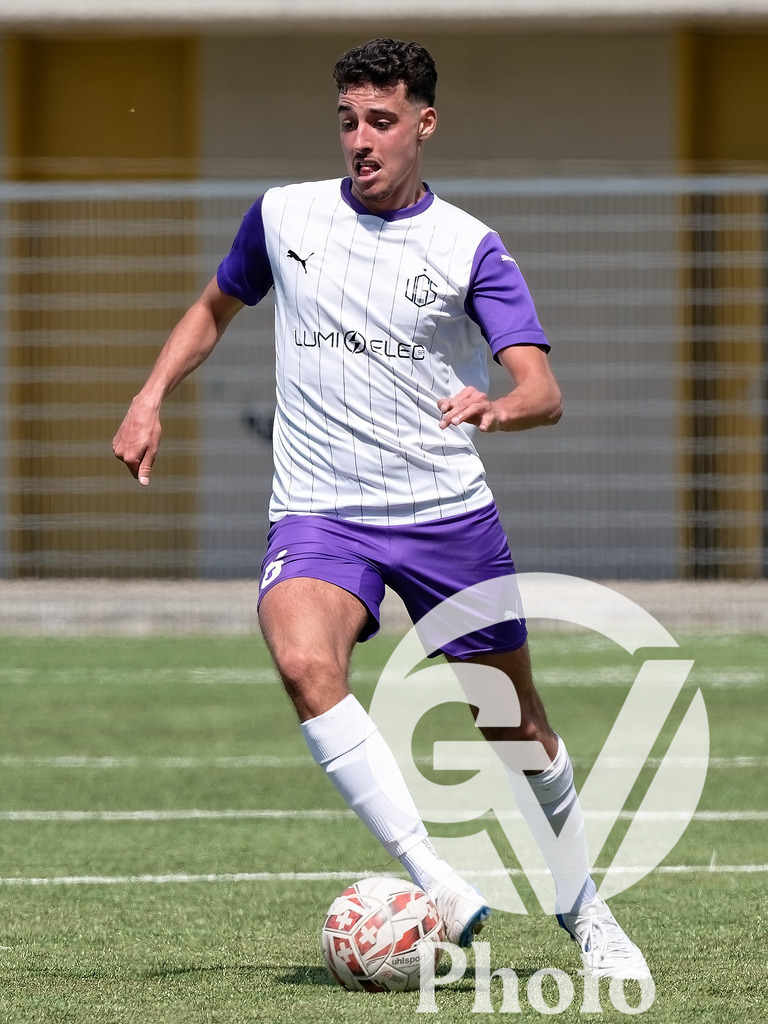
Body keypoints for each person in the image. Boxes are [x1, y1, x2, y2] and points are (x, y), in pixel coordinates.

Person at [113, 38, 650, 979]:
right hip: (321, 511)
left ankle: (585, 908)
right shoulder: (284, 216)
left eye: (382, 121)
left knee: (516, 728)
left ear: (424, 124)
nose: (361, 140)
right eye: (348, 121)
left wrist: (498, 407)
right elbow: (212, 309)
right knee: (301, 661)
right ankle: (434, 878)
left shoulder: (469, 248)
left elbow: (543, 390)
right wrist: (149, 395)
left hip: (446, 516)